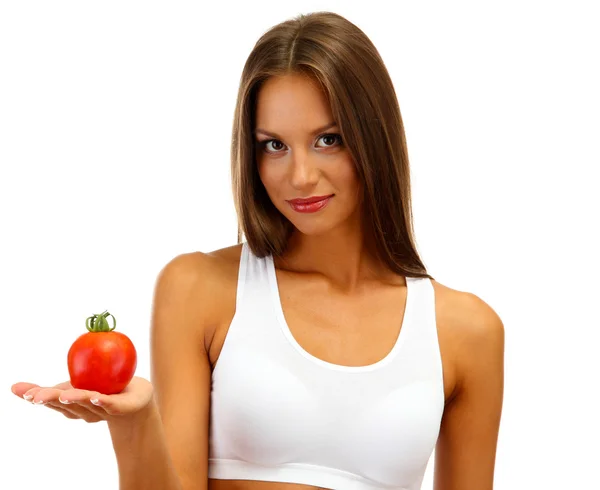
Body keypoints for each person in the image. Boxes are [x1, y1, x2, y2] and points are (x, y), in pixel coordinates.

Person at [11, 10, 504, 490]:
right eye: (274, 145)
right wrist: (134, 422)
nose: (300, 176)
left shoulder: (466, 332)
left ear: (374, 137)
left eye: (328, 139)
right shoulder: (200, 289)